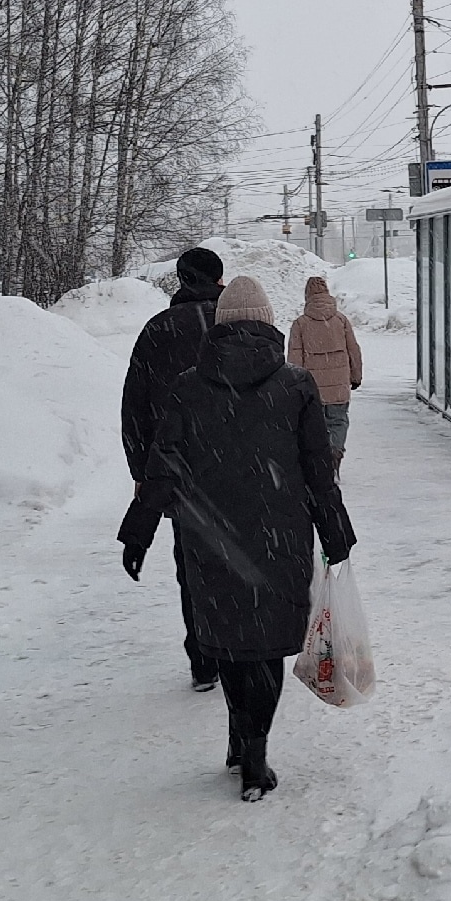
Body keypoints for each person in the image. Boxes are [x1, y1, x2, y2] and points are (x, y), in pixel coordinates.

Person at [120, 277, 357, 801]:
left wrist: (138, 531)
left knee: (229, 642)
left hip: (210, 537)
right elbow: (318, 471)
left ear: (220, 328)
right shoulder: (296, 385)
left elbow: (163, 467)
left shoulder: (186, 386)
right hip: (279, 535)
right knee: (267, 647)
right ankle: (255, 752)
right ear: (269, 323)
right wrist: (335, 534)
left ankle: (238, 733)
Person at [120, 245, 225, 690]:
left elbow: (135, 406)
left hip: (179, 470)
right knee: (243, 558)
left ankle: (203, 657)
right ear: (219, 278)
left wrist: (144, 473)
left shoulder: (157, 331)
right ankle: (240, 648)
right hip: (244, 465)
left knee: (193, 565)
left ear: (181, 280)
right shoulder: (238, 325)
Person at [285, 275, 363, 467]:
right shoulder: (341, 321)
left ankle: (320, 462)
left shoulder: (300, 324)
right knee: (338, 421)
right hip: (339, 386)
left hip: (313, 388)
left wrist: (294, 385)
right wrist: (355, 376)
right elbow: (354, 350)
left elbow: (295, 358)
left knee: (314, 426)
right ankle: (335, 453)